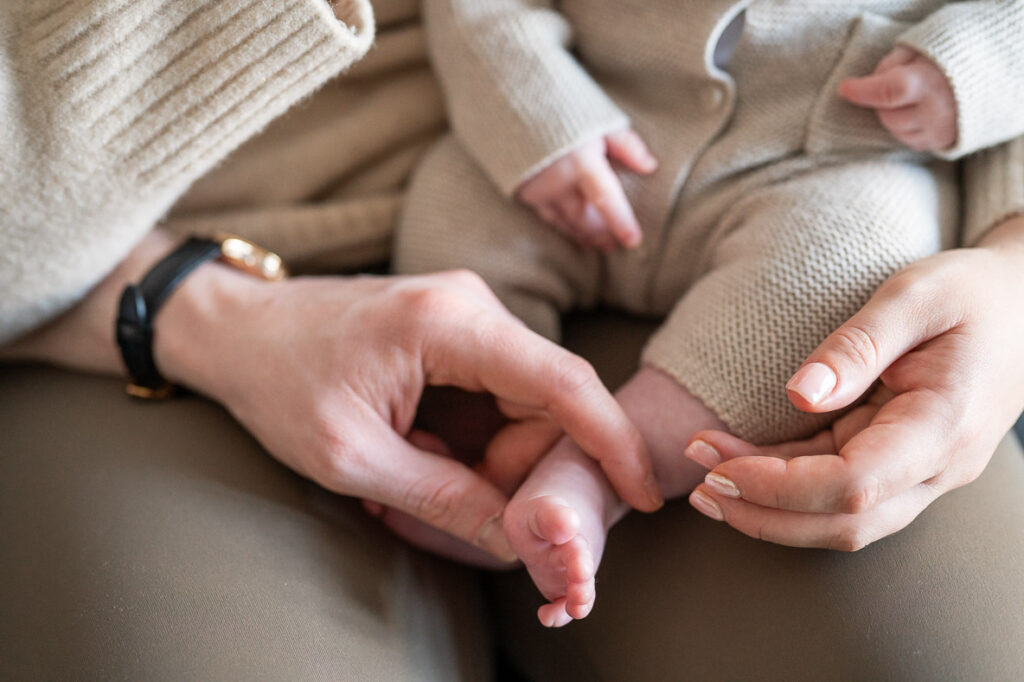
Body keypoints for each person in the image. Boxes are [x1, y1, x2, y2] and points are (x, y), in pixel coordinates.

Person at [3, 1, 1024, 680]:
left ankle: (596, 470)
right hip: (144, 275)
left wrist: (1013, 265)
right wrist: (189, 310)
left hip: (808, 183)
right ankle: (475, 439)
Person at [395, 0, 1024, 626]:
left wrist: (980, 66)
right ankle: (481, 438)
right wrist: (535, 111)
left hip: (836, 165)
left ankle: (597, 471)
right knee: (454, 208)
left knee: (853, 279)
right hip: (588, 123)